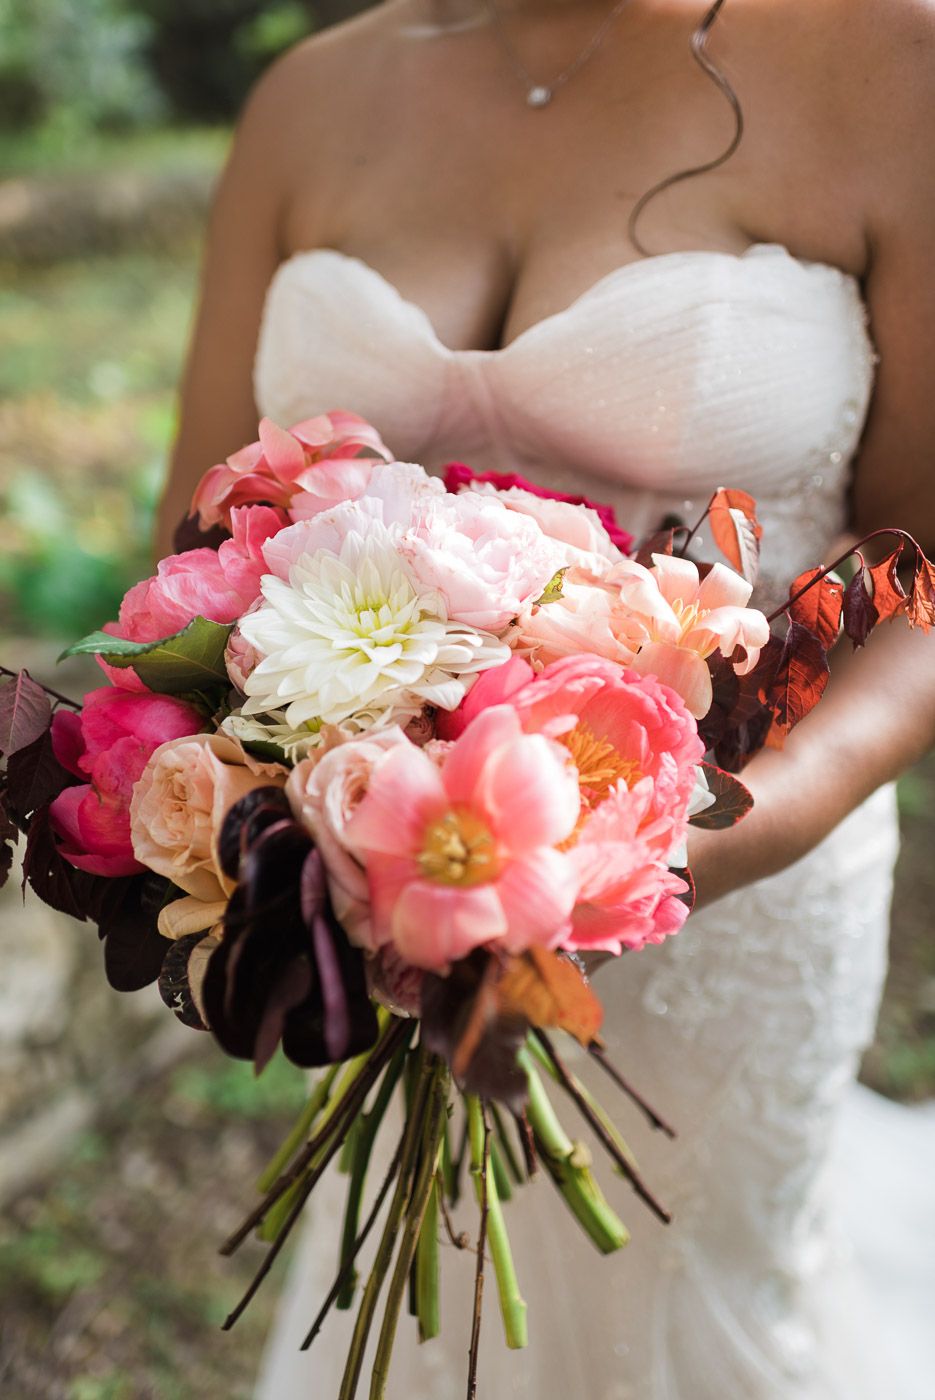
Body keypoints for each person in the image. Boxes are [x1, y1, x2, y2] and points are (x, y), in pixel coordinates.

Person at [157, 0, 935, 1394]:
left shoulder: (895, 62)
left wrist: (721, 831)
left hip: (735, 889)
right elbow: (199, 542)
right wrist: (291, 824)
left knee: (703, 1299)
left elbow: (930, 552)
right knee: (423, 1314)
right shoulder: (312, 100)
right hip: (383, 884)